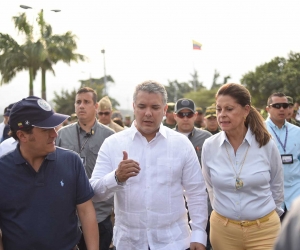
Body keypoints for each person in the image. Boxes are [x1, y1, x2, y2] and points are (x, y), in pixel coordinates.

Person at [90, 80, 208, 250]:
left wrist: (198, 234)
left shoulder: (181, 144)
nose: (148, 113)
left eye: (155, 107)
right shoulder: (113, 144)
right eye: (142, 106)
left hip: (173, 242)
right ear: (134, 107)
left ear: (165, 110)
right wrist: (116, 177)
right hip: (129, 243)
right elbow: (94, 192)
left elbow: (196, 192)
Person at [0, 96, 99, 250]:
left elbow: (86, 212)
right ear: (22, 135)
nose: (54, 134)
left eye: (54, 127)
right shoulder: (2, 171)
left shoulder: (71, 162)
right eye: (46, 129)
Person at [201, 83, 284, 250]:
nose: (222, 115)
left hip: (264, 231)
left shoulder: (266, 144)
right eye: (219, 109)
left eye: (229, 109)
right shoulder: (209, 146)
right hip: (223, 233)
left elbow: (277, 186)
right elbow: (210, 187)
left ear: (246, 110)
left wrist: (267, 216)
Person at [56, 87, 115, 250]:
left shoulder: (110, 137)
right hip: (69, 217)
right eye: (78, 102)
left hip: (100, 216)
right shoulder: (62, 135)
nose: (81, 106)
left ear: (96, 107)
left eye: (86, 102)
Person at [173, 98, 212, 250]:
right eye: (181, 114)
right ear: (174, 116)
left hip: (203, 204)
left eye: (188, 114)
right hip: (177, 205)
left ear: (195, 116)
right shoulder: (166, 139)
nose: (185, 118)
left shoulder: (207, 138)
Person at [265, 92, 300, 221]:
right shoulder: (259, 131)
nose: (282, 109)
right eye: (277, 105)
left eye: (285, 106)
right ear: (268, 108)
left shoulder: (297, 132)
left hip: (295, 197)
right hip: (269, 198)